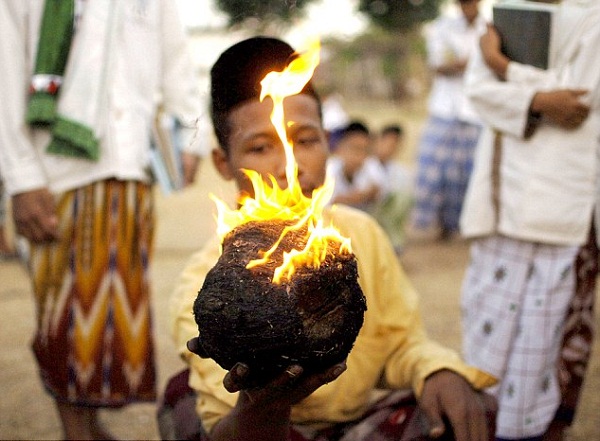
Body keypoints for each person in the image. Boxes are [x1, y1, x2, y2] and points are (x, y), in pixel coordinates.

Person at [168, 36, 498, 441]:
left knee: (467, 404)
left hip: (355, 427)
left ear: (328, 142)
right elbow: (224, 423)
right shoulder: (204, 284)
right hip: (267, 431)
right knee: (180, 400)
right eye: (260, 147)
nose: (289, 167)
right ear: (223, 162)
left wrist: (437, 370)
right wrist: (263, 406)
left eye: (305, 140)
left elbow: (402, 342)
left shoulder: (359, 235)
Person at [0, 1, 207, 439]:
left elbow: (175, 59)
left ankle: (90, 427)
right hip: (53, 174)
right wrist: (20, 177)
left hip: (130, 166)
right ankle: (76, 431)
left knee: (113, 322)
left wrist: (189, 137)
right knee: (64, 321)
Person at [459, 0, 600, 439]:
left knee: (548, 341)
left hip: (566, 208)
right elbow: (478, 90)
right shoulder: (502, 10)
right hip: (503, 202)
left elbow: (581, 101)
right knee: (486, 325)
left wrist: (507, 70)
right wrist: (538, 97)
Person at [410, 0, 486, 240]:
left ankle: (464, 225)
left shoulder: (490, 29)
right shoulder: (442, 27)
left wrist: (465, 64)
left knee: (470, 172)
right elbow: (439, 65)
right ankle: (438, 225)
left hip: (476, 110)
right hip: (444, 108)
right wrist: (474, 63)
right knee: (434, 167)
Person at [371, 124, 415, 253]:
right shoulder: (366, 164)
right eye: (388, 143)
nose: (391, 149)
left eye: (395, 145)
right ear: (378, 141)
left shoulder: (400, 171)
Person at [327, 120, 385, 212]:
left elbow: (378, 191)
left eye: (365, 150)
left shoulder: (371, 166)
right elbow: (330, 203)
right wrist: (361, 196)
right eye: (355, 149)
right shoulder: (329, 169)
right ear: (341, 148)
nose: (360, 156)